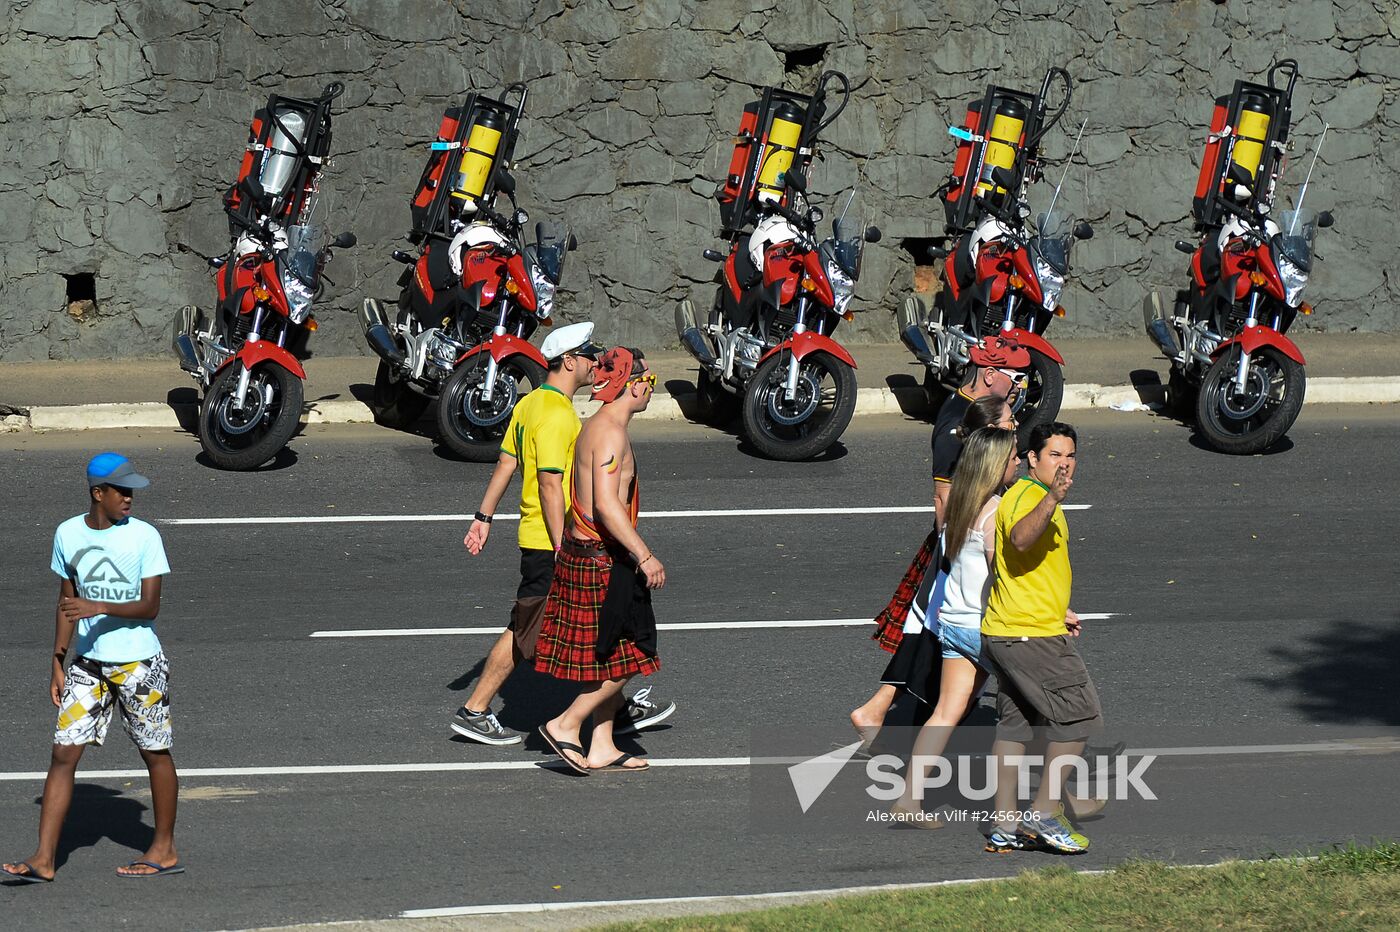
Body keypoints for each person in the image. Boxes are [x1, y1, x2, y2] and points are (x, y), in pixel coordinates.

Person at [451, 323, 674, 745]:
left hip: (534, 533)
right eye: (589, 356)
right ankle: (476, 709)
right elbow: (552, 485)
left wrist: (483, 517)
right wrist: (562, 545)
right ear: (569, 361)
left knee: (587, 627)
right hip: (548, 539)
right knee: (531, 629)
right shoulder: (556, 415)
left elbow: (505, 464)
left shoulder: (530, 403)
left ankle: (614, 713)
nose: (595, 364)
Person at [3, 453, 180, 882]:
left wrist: (97, 605)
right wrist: (58, 658)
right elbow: (67, 604)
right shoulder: (67, 534)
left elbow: (149, 605)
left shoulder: (144, 537)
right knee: (63, 752)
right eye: (121, 491)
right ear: (97, 493)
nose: (129, 498)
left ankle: (164, 847)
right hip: (87, 664)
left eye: (132, 490)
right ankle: (45, 858)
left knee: (154, 751)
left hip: (138, 663)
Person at [852, 396, 1015, 747]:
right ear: (990, 432)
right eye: (1008, 424)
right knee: (925, 650)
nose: (1014, 430)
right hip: (953, 568)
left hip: (954, 566)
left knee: (928, 655)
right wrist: (951, 556)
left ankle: (885, 720)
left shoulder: (984, 469)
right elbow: (943, 503)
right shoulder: (971, 468)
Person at [535, 348, 664, 774]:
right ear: (633, 384)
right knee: (636, 652)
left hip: (586, 553)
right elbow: (608, 507)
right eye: (651, 381)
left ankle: (603, 743)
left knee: (610, 655)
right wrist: (644, 555)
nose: (651, 389)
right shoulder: (611, 435)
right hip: (603, 559)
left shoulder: (595, 426)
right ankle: (565, 724)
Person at [981, 422, 1103, 855]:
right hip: (1030, 635)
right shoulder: (1032, 496)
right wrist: (1052, 497)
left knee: (1014, 727)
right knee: (1080, 718)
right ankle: (1044, 813)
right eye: (1055, 455)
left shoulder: (1028, 497)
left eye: (1070, 456)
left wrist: (1057, 611)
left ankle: (1003, 825)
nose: (1065, 463)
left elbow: (1020, 565)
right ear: (1032, 458)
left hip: (1012, 628)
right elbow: (1019, 539)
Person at [888, 426, 1019, 825]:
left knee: (945, 712)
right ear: (997, 466)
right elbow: (1003, 574)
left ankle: (908, 800)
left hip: (953, 623)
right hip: (984, 627)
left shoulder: (963, 503)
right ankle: (1040, 806)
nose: (1019, 461)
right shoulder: (996, 510)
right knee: (1033, 711)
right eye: (1014, 456)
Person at [931, 335, 1030, 520]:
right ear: (990, 375)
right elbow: (943, 498)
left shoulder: (984, 406)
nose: (1020, 386)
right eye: (1017, 378)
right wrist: (952, 547)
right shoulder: (954, 426)